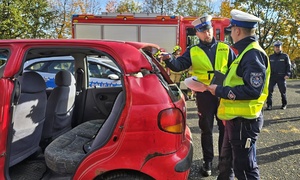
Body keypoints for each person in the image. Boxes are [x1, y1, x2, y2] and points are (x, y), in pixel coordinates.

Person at [196, 9, 270, 179]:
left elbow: (253, 90)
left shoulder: (252, 54)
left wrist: (219, 90)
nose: (230, 35)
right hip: (235, 119)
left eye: (231, 31)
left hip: (244, 121)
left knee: (244, 169)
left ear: (237, 31)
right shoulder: (245, 52)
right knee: (226, 163)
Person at [162, 13, 236, 177]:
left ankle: (223, 162)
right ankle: (207, 162)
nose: (206, 33)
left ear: (212, 29)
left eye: (208, 29)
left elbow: (236, 69)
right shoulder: (192, 51)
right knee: (206, 129)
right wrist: (168, 59)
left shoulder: (226, 48)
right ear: (197, 34)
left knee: (225, 129)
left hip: (222, 94)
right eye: (202, 31)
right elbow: (178, 65)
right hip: (204, 95)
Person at [266, 40, 291, 110]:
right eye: (276, 47)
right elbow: (267, 67)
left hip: (281, 76)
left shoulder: (285, 56)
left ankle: (284, 104)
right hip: (272, 77)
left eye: (278, 47)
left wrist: (288, 74)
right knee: (269, 91)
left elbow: (289, 66)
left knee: (283, 92)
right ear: (274, 48)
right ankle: (269, 105)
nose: (277, 48)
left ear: (281, 47)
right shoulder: (271, 57)